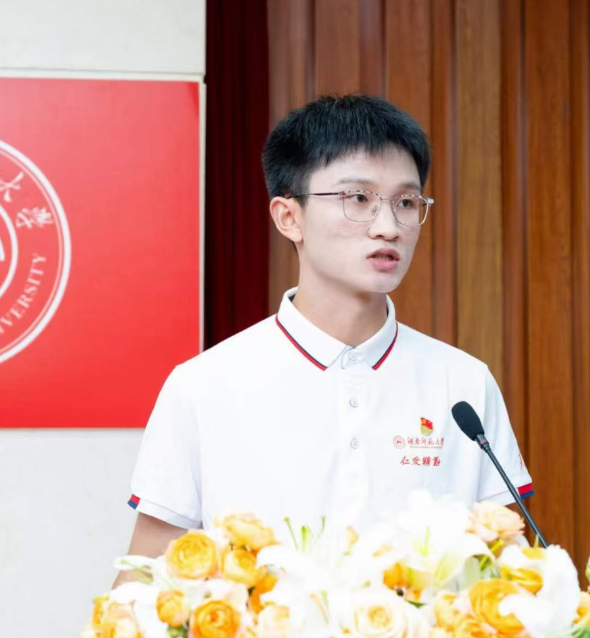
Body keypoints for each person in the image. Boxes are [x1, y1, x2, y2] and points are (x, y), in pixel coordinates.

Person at [115, 94, 533, 585]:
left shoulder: (463, 383)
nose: (388, 228)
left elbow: (512, 576)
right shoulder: (202, 385)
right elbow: (143, 581)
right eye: (358, 199)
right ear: (288, 217)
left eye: (405, 202)